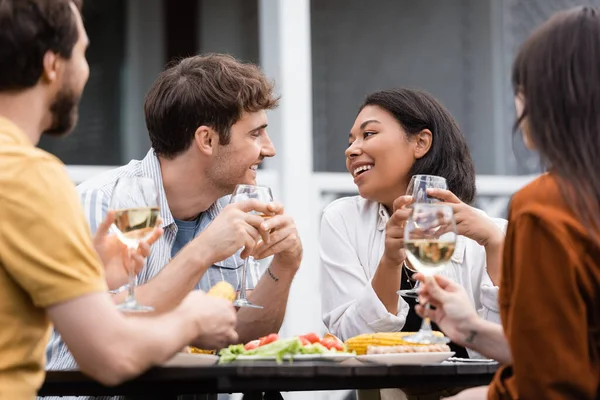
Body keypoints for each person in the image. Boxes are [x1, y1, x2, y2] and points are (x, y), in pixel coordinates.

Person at [0, 1, 240, 399]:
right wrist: (192, 318)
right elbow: (111, 356)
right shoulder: (29, 176)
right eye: (83, 52)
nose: (88, 70)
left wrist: (91, 275)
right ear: (51, 65)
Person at [44, 53, 303, 389]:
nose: (269, 150)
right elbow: (110, 333)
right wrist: (205, 249)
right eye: (256, 134)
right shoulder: (115, 204)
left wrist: (285, 264)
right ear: (207, 140)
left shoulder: (233, 207)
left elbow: (242, 335)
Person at [414, 6, 600, 400]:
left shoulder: (547, 207)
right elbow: (570, 353)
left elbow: (549, 385)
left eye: (520, 90)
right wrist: (470, 329)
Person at [320, 88, 506, 349]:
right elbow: (349, 340)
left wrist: (496, 247)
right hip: (382, 389)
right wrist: (390, 261)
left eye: (368, 134)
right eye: (351, 140)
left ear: (421, 143)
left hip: (475, 389)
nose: (351, 150)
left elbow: (511, 350)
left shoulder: (494, 234)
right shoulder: (343, 220)